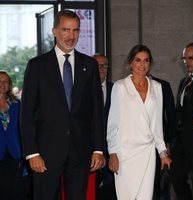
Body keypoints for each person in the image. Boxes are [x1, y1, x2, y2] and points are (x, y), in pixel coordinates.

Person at [20, 10, 104, 200]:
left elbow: (97, 112)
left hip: (80, 153)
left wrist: (98, 149)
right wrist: (32, 153)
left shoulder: (89, 66)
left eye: (75, 30)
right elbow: (27, 114)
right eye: (66, 30)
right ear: (54, 31)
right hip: (46, 154)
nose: (71, 36)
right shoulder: (37, 66)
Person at [107, 44, 172, 200]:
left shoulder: (157, 87)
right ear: (131, 62)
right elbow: (112, 123)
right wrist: (112, 152)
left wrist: (162, 152)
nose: (142, 65)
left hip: (147, 153)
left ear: (150, 63)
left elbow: (157, 126)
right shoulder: (120, 87)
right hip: (125, 153)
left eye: (146, 61)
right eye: (138, 60)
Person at [171, 42, 193, 200]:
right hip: (181, 141)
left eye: (190, 58)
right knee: (176, 178)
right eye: (184, 58)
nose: (186, 62)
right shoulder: (184, 82)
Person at [93, 54, 117, 200]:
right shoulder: (81, 90)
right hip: (90, 150)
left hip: (113, 149)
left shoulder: (116, 89)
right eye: (98, 65)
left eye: (105, 65)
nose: (102, 69)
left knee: (112, 191)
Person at [149, 75, 176, 200]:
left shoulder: (161, 85)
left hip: (160, 141)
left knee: (161, 178)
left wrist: (168, 142)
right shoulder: (126, 85)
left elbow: (171, 115)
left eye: (146, 61)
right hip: (136, 143)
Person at [0, 71, 23, 200]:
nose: (2, 84)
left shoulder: (17, 105)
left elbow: (22, 129)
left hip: (14, 153)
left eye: (5, 81)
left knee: (14, 190)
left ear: (9, 85)